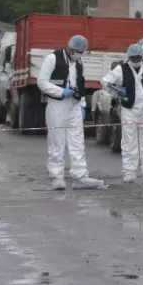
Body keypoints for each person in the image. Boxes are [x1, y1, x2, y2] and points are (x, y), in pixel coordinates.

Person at [37, 35, 106, 190]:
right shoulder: (52, 58)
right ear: (69, 47)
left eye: (81, 52)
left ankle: (80, 176)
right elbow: (42, 82)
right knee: (57, 141)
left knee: (77, 141)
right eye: (77, 51)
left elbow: (79, 84)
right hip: (57, 104)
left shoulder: (78, 62)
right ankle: (57, 177)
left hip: (74, 105)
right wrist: (61, 91)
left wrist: (81, 104)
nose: (78, 54)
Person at [101, 44, 143, 183]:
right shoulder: (121, 70)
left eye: (138, 57)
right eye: (133, 57)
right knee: (129, 142)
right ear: (129, 57)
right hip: (129, 109)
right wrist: (117, 91)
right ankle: (129, 173)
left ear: (142, 56)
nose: (136, 60)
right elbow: (105, 82)